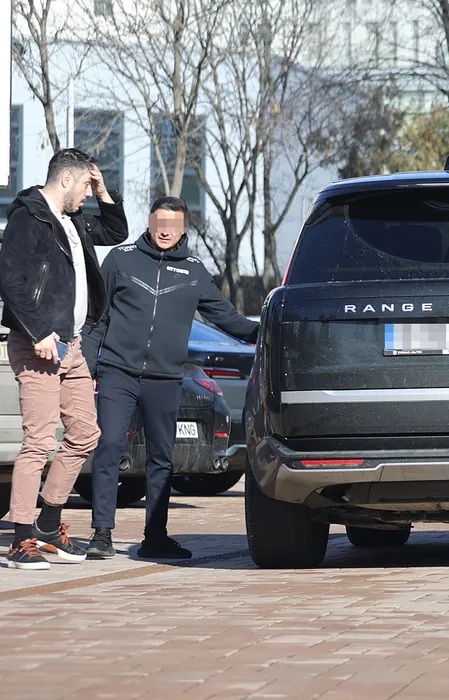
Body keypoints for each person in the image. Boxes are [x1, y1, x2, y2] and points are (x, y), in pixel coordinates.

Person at [82, 196, 258, 559]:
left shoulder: (194, 271)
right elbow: (96, 317)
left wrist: (267, 327)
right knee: (109, 446)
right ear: (150, 222)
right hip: (117, 371)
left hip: (165, 378)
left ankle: (155, 538)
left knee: (162, 457)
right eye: (160, 223)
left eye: (173, 225)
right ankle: (101, 534)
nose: (165, 231)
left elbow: (227, 318)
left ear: (183, 228)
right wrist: (88, 367)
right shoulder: (121, 259)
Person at [0, 149, 129, 570]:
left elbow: (116, 230)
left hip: (71, 347)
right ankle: (21, 540)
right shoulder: (30, 217)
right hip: (38, 344)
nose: (89, 195)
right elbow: (11, 281)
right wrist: (38, 332)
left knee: (86, 434)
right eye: (87, 186)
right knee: (39, 442)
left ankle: (48, 525)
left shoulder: (74, 220)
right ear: (67, 179)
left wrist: (105, 190)